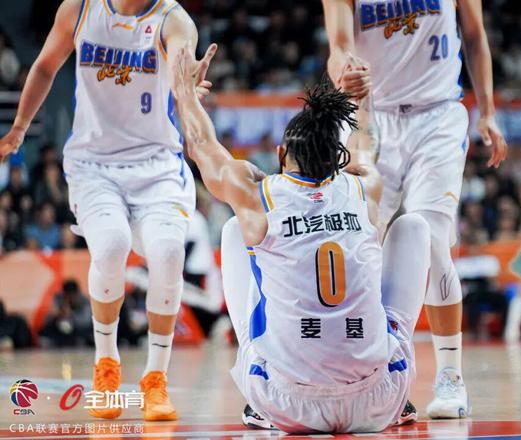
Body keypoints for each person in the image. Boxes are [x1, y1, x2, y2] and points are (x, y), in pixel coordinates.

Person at [172, 46, 429, 434]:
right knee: (413, 227)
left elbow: (202, 146)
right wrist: (362, 99)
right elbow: (365, 144)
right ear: (339, 158)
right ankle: (399, 394)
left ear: (280, 154)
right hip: (376, 401)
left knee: (234, 230)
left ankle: (259, 400)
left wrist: (185, 95)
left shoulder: (256, 195)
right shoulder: (365, 188)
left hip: (286, 404)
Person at [0, 0, 216, 421]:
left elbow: (181, 75)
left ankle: (155, 379)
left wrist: (185, 86)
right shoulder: (79, 9)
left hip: (156, 165)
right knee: (112, 244)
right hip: (94, 165)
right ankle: (106, 366)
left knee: (169, 252)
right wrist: (19, 128)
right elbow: (44, 67)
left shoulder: (173, 20)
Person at [322, 0, 508, 417]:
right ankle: (363, 376)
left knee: (432, 239)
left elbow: (474, 35)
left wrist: (488, 110)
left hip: (437, 115)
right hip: (371, 118)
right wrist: (343, 72)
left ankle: (450, 378)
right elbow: (339, 46)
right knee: (356, 244)